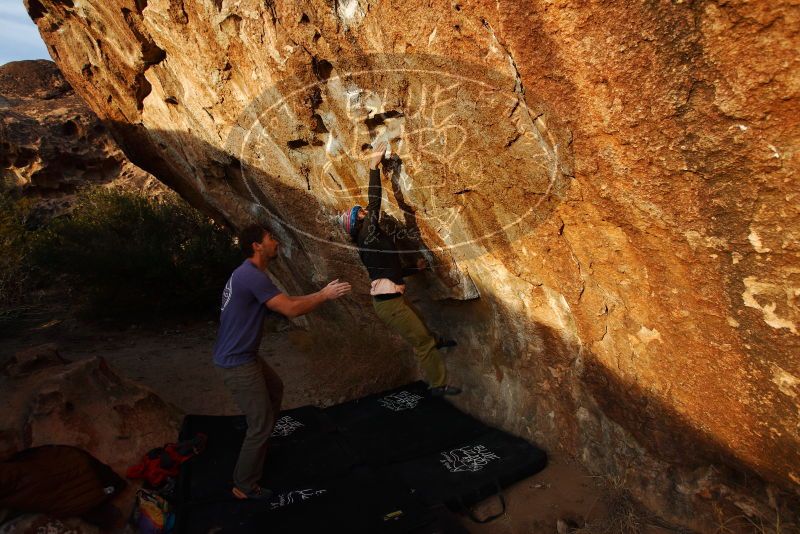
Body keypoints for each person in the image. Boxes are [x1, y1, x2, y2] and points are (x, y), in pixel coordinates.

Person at [212, 223, 351, 502]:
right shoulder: (251, 275)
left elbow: (286, 300)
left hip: (244, 356)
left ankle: (260, 448)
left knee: (275, 389)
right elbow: (289, 310)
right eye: (270, 238)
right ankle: (244, 484)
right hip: (237, 362)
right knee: (260, 422)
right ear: (257, 246)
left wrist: (319, 292)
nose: (276, 242)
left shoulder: (249, 274)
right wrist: (324, 296)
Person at [338, 142, 461, 397]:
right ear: (358, 221)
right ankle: (438, 385)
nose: (366, 211)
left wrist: (415, 269)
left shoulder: (371, 242)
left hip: (391, 300)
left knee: (421, 326)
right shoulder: (368, 235)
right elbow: (375, 201)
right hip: (389, 305)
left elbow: (393, 271)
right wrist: (373, 167)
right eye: (361, 213)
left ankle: (436, 341)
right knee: (422, 343)